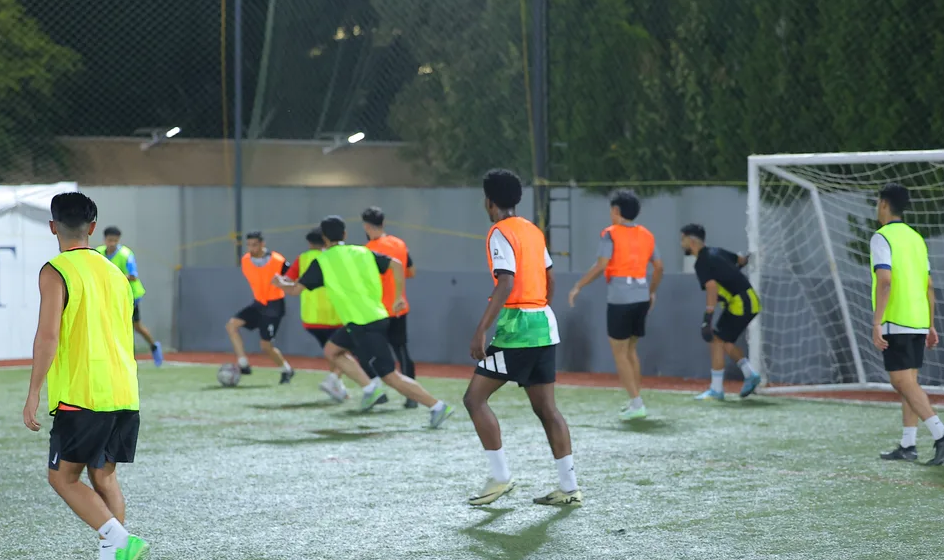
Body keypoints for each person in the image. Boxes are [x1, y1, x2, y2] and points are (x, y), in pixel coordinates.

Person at [23, 192, 149, 560]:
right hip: (124, 390)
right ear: (93, 227)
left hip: (83, 393)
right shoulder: (115, 273)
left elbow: (48, 337)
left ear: (53, 227)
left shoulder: (56, 270)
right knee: (104, 475)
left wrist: (33, 392)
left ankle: (121, 542)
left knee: (62, 478)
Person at [464, 170, 579, 507]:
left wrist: (481, 329)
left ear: (489, 201)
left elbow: (506, 282)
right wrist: (539, 309)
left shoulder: (499, 232)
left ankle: (500, 478)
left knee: (474, 399)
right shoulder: (532, 230)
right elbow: (550, 278)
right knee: (547, 408)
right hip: (544, 324)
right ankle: (569, 487)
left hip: (518, 330)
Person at [275, 215, 454, 427]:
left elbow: (295, 290)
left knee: (390, 376)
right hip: (368, 318)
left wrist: (279, 282)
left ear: (324, 237)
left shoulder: (322, 261)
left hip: (365, 324)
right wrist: (398, 296)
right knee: (332, 350)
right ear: (345, 234)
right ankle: (370, 388)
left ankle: (437, 406)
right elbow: (397, 264)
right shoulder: (362, 251)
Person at [871, 183, 944, 465]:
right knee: (908, 383)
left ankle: (941, 433)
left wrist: (876, 322)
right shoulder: (916, 238)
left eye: (878, 202)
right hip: (918, 319)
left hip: (896, 319)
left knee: (900, 381)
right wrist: (930, 324)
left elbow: (885, 282)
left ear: (884, 204)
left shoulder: (882, 237)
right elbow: (929, 285)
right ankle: (908, 445)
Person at [568, 189, 664, 420]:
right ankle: (636, 400)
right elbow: (659, 267)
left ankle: (637, 404)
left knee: (619, 353)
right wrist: (651, 292)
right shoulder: (647, 235)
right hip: (641, 297)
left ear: (616, 210)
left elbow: (602, 264)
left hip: (621, 298)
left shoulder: (610, 234)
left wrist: (578, 286)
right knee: (631, 350)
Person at [680, 224, 763, 400]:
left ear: (691, 241)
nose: (681, 244)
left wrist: (708, 317)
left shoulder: (701, 262)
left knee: (716, 340)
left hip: (741, 302)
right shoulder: (717, 252)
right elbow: (740, 260)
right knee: (725, 342)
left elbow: (712, 288)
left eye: (683, 239)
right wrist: (744, 260)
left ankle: (716, 390)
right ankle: (750, 374)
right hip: (748, 300)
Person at [284, 228, 354, 402]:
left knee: (334, 354)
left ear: (309, 243)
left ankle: (338, 387)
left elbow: (288, 280)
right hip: (335, 315)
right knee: (346, 352)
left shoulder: (302, 258)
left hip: (311, 318)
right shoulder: (333, 257)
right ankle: (335, 380)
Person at [362, 206, 418, 408]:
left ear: (366, 226)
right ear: (383, 223)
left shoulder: (368, 250)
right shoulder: (399, 243)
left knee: (368, 352)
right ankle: (412, 396)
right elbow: (411, 271)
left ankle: (377, 392)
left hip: (377, 310)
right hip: (399, 307)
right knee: (402, 352)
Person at [228, 231, 294, 383]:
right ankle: (243, 363)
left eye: (255, 245)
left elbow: (292, 278)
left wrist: (284, 283)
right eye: (249, 245)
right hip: (258, 304)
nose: (251, 248)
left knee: (265, 346)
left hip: (274, 306)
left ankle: (287, 370)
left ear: (262, 244)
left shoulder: (278, 260)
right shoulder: (245, 260)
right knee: (232, 325)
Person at [96, 226, 163, 367]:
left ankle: (153, 346)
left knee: (135, 326)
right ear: (104, 240)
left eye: (115, 240)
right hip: (112, 295)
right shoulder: (98, 253)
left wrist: (114, 277)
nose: (112, 243)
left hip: (131, 295)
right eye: (110, 240)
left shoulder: (126, 254)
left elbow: (133, 276)